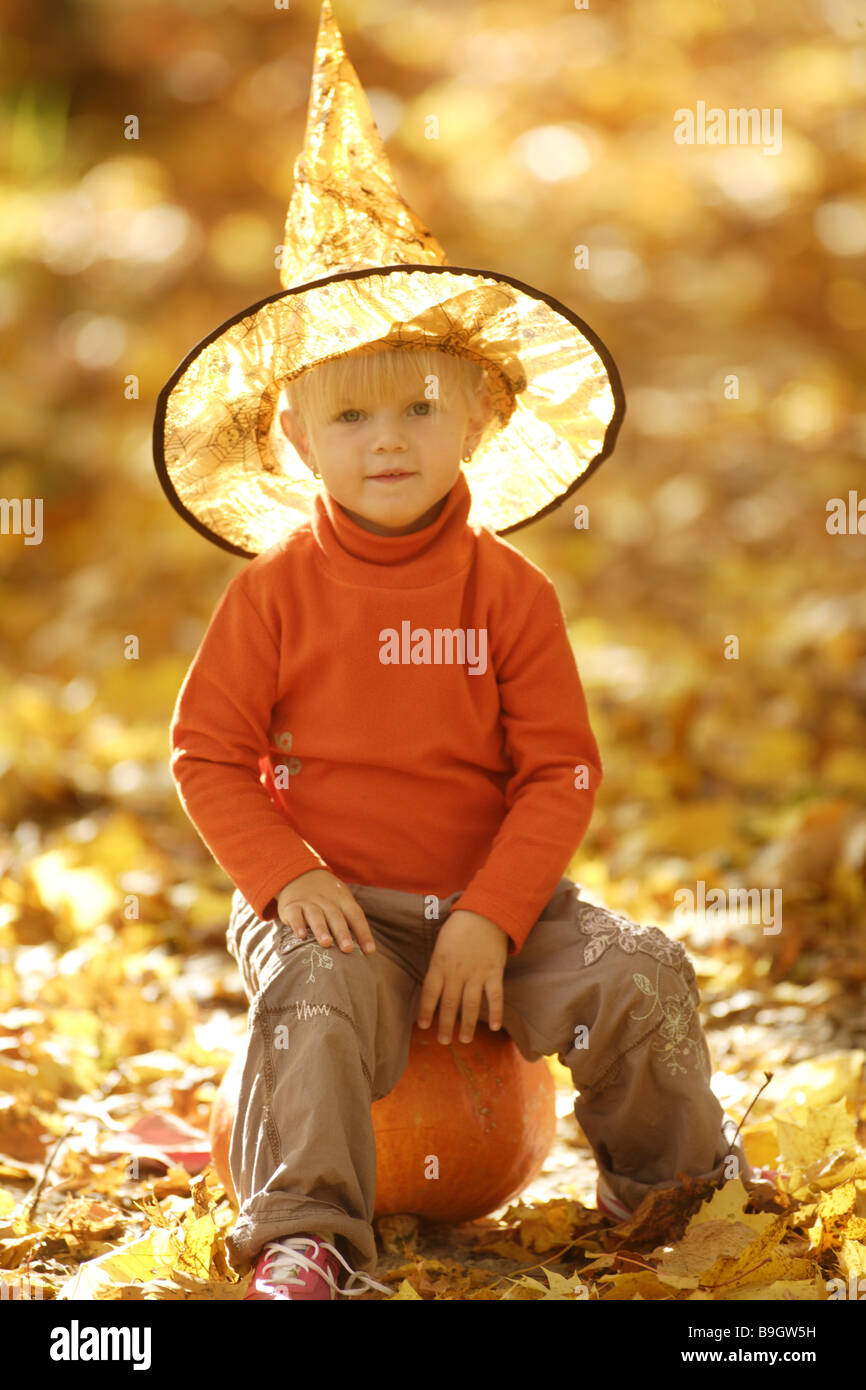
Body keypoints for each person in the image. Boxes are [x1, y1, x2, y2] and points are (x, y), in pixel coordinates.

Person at [155, 2, 762, 1302]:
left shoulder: (509, 594)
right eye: (350, 412)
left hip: (498, 900)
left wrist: (494, 916)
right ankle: (307, 1230)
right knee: (311, 998)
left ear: (481, 413)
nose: (387, 436)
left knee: (639, 967)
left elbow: (559, 772)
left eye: (420, 405)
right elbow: (207, 750)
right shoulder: (275, 594)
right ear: (294, 438)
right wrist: (284, 871)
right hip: (338, 908)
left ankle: (667, 1179)